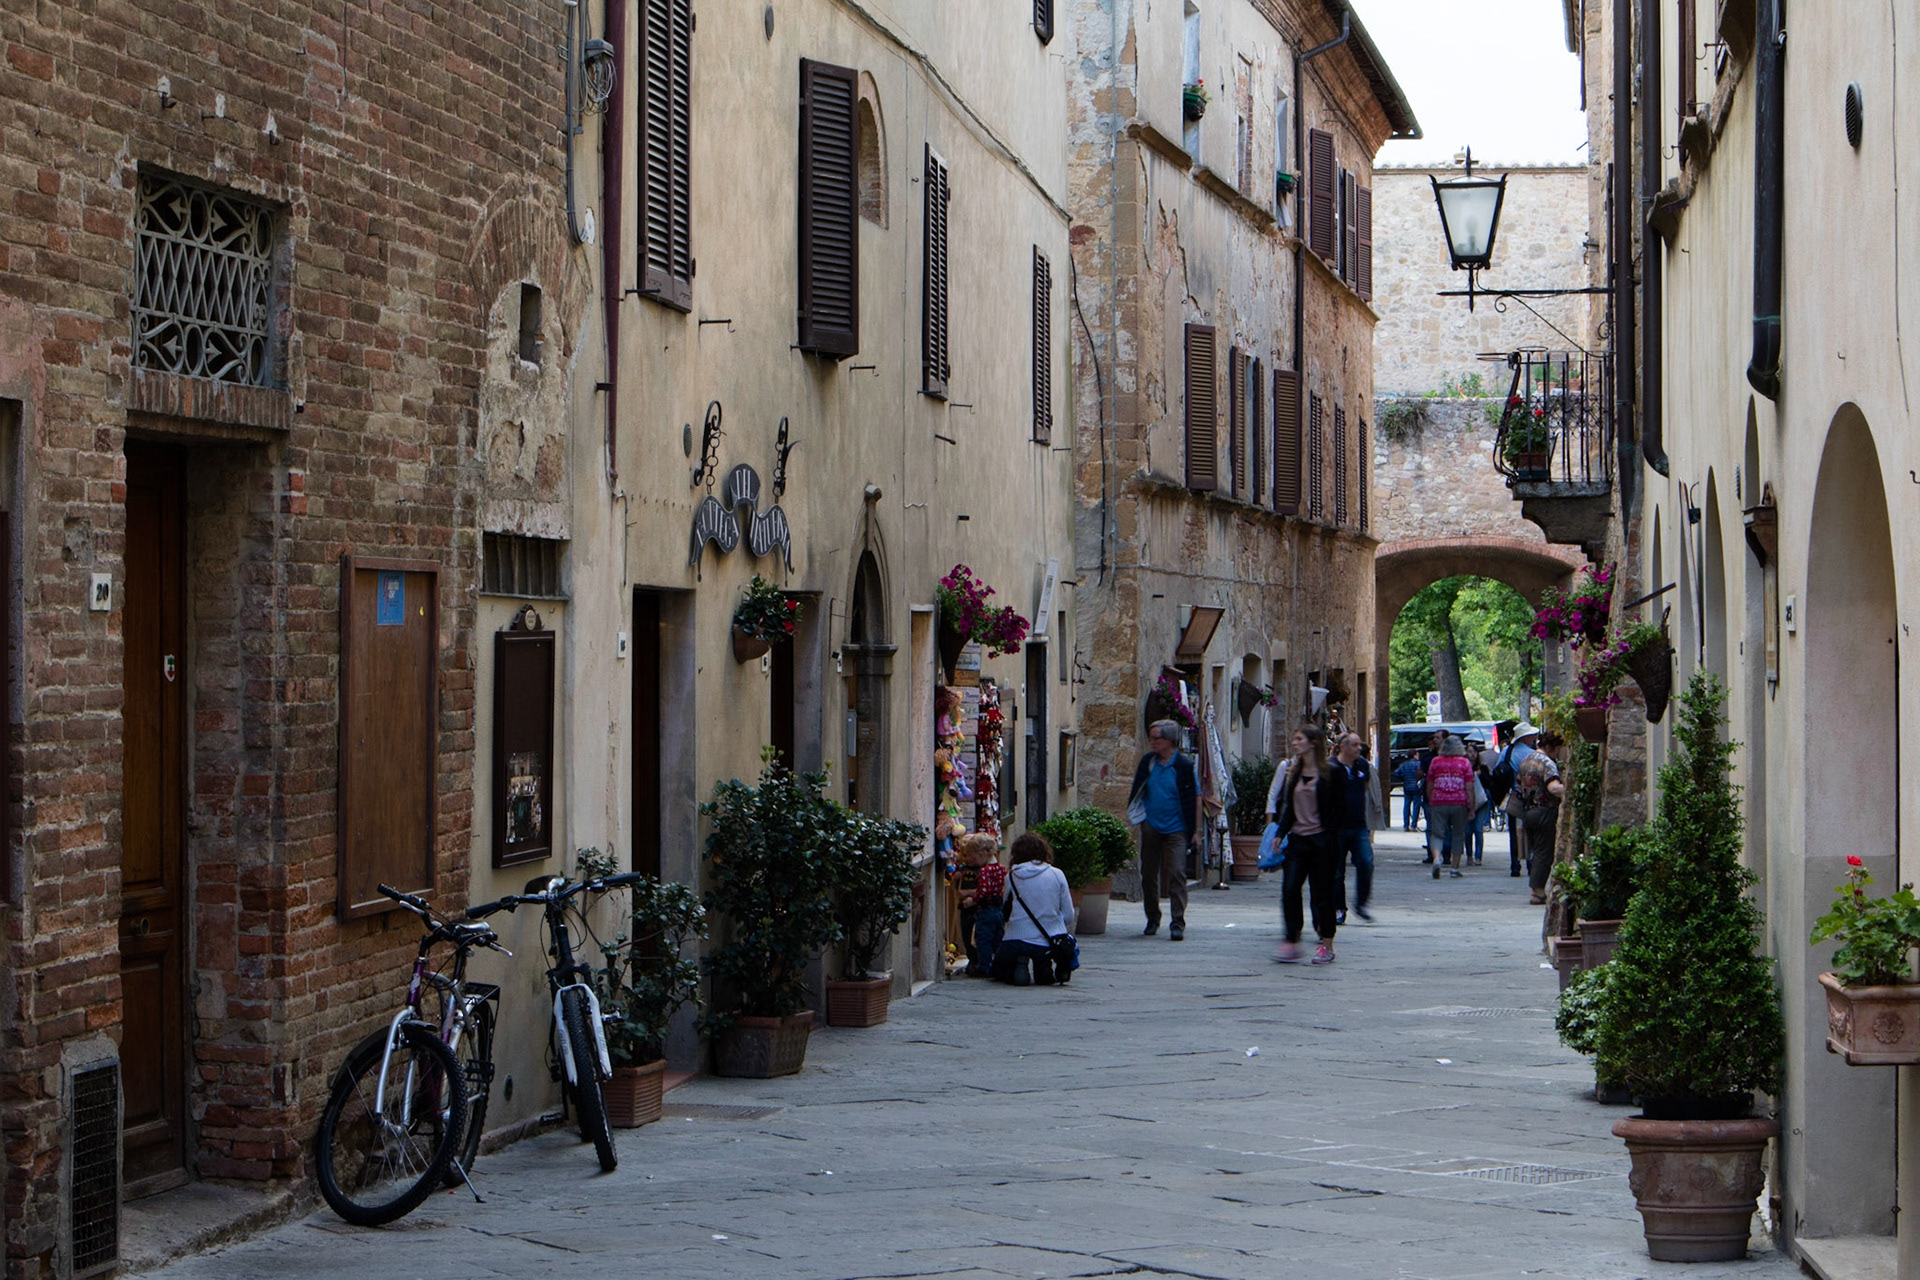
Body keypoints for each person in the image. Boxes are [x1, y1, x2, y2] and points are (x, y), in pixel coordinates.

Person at [1271, 726, 1345, 964]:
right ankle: (1291, 939)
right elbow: (1289, 808)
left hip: (1322, 841)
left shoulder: (1331, 772)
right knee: (1290, 889)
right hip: (1298, 841)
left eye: (1299, 739)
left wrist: (1334, 836)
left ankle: (1327, 944)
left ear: (1313, 743)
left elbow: (1340, 807)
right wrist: (1280, 833)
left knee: (1322, 894)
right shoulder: (1294, 772)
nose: (1295, 743)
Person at [1126, 720, 1200, 941]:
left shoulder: (1184, 767)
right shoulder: (1148, 763)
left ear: (1169, 740)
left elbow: (1196, 797)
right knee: (1148, 873)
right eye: (1151, 737)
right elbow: (1138, 789)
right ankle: (1152, 917)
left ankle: (1177, 922)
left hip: (1177, 828)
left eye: (1156, 738)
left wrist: (1195, 831)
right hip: (1151, 826)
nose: (1152, 742)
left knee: (1177, 872)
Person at [992, 833, 1077, 986]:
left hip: (1015, 938)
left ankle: (1020, 963)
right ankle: (1045, 967)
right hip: (1050, 938)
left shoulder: (1011, 876)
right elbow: (1069, 914)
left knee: (998, 970)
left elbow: (1005, 908)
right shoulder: (1057, 874)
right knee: (1048, 952)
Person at [1331, 732, 1384, 924]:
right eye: (1354, 745)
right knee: (1336, 871)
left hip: (1358, 825)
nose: (1358, 748)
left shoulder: (1362, 765)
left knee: (1366, 862)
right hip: (1336, 827)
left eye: (1359, 745)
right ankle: (1338, 908)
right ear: (1342, 746)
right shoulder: (1331, 767)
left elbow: (1365, 788)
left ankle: (1361, 903)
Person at [1500, 723, 1556, 878]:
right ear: (1526, 737)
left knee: (1514, 833)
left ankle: (1515, 866)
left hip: (1514, 797)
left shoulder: (1506, 751)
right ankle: (1530, 864)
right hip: (1533, 799)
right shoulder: (1532, 755)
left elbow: (1498, 770)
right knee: (1528, 834)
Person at [1515, 749, 1567, 904]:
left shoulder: (1526, 760)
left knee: (1537, 851)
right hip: (1544, 810)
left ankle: (1536, 888)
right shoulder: (1547, 763)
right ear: (1554, 746)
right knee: (1544, 852)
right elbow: (1553, 788)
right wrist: (1570, 789)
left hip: (1528, 811)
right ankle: (1537, 891)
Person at [1423, 735, 1477, 879]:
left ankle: (1436, 858)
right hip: (1459, 802)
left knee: (1437, 833)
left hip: (1438, 801)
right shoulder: (1464, 763)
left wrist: (1431, 799)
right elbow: (1469, 787)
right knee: (1458, 834)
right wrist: (1471, 807)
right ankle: (1454, 868)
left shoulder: (1435, 762)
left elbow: (1429, 783)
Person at [956, 833, 1006, 978]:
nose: (975, 862)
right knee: (997, 938)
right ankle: (999, 965)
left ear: (983, 853)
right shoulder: (1001, 868)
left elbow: (983, 891)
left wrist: (973, 900)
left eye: (975, 857)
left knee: (983, 939)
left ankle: (984, 967)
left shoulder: (985, 871)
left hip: (986, 910)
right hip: (998, 909)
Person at [1415, 728, 1447, 863]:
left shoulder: (1451, 757)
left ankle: (1446, 853)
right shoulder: (1427, 757)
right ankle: (1432, 853)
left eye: (1437, 737)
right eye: (1434, 738)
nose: (1434, 740)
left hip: (1446, 795)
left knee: (1445, 825)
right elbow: (1420, 772)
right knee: (1430, 826)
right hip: (1430, 795)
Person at [1394, 754, 1423, 831]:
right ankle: (1414, 825)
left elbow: (1396, 773)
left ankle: (1406, 825)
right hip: (1416, 787)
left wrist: (1402, 778)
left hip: (1407, 786)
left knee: (1406, 805)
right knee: (1416, 806)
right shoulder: (1419, 764)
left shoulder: (1404, 765)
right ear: (1415, 755)